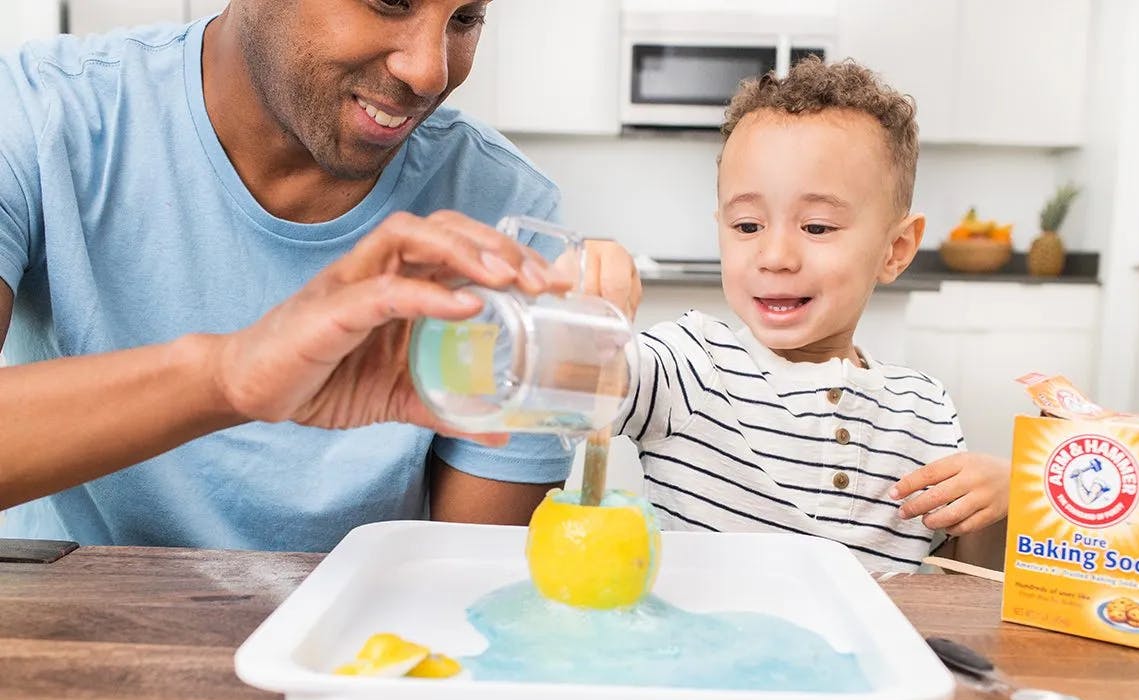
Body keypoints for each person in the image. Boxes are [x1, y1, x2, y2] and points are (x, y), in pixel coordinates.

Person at [0, 1, 639, 551]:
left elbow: (468, 580)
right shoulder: (38, 114)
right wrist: (229, 376)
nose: (429, 71)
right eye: (389, 0)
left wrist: (569, 383)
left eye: (466, 18)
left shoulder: (502, 215)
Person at [614, 58, 1008, 572]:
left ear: (896, 249)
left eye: (817, 227)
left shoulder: (925, 410)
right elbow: (571, 379)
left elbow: (964, 583)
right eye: (747, 225)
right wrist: (582, 305)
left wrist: (1009, 500)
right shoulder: (686, 367)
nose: (775, 255)